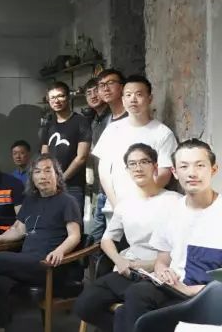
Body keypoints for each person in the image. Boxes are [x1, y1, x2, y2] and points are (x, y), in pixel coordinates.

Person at [114, 139, 222, 332]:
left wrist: (191, 290)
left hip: (211, 296)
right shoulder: (172, 211)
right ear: (175, 172)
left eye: (200, 165)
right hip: (175, 288)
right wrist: (163, 270)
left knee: (133, 317)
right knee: (136, 294)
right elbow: (162, 259)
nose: (192, 173)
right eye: (184, 166)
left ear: (213, 170)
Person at [73, 143, 181, 332]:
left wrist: (148, 264)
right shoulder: (125, 204)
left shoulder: (175, 201)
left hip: (159, 274)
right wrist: (119, 260)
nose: (138, 168)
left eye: (144, 162)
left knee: (134, 304)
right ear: (127, 170)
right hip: (129, 271)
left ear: (155, 166)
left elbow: (181, 247)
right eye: (132, 164)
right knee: (84, 305)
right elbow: (107, 240)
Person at [0, 154, 81, 330]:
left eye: (48, 171)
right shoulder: (30, 200)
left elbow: (74, 235)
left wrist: (59, 251)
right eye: (37, 172)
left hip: (48, 264)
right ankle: (1, 327)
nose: (43, 176)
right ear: (32, 177)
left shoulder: (67, 201)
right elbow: (18, 230)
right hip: (27, 262)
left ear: (57, 175)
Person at [93, 75, 177, 221]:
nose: (133, 99)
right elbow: (104, 171)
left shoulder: (163, 133)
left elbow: (164, 173)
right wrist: (117, 205)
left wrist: (140, 202)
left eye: (139, 94)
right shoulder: (112, 129)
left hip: (148, 207)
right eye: (128, 95)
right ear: (123, 100)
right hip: (115, 207)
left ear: (150, 99)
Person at [41, 81, 92, 217]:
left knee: (73, 223)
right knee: (52, 222)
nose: (56, 100)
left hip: (73, 186)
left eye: (60, 96)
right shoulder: (49, 125)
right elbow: (44, 154)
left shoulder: (81, 122)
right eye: (52, 97)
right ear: (48, 101)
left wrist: (61, 179)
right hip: (51, 184)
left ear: (68, 97)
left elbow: (81, 157)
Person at [89, 69, 129, 240]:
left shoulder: (131, 119)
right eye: (101, 85)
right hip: (103, 191)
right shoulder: (104, 121)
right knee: (97, 241)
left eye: (110, 83)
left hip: (124, 192)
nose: (105, 88)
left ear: (122, 87)